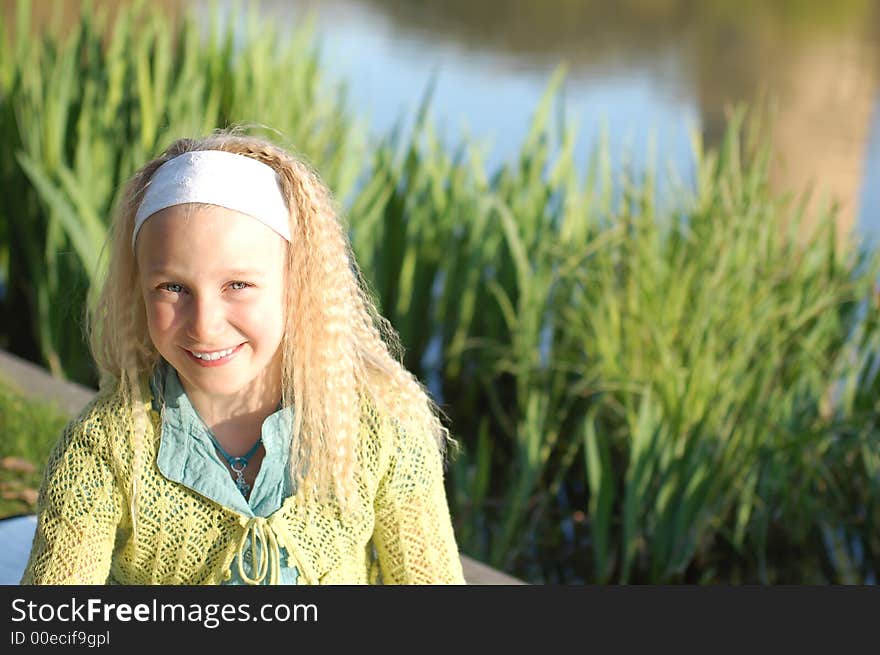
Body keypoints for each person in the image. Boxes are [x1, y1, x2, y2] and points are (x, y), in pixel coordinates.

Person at [20, 131, 465, 585]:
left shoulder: (381, 428)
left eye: (238, 285)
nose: (205, 325)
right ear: (139, 289)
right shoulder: (106, 445)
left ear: (298, 284)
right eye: (173, 287)